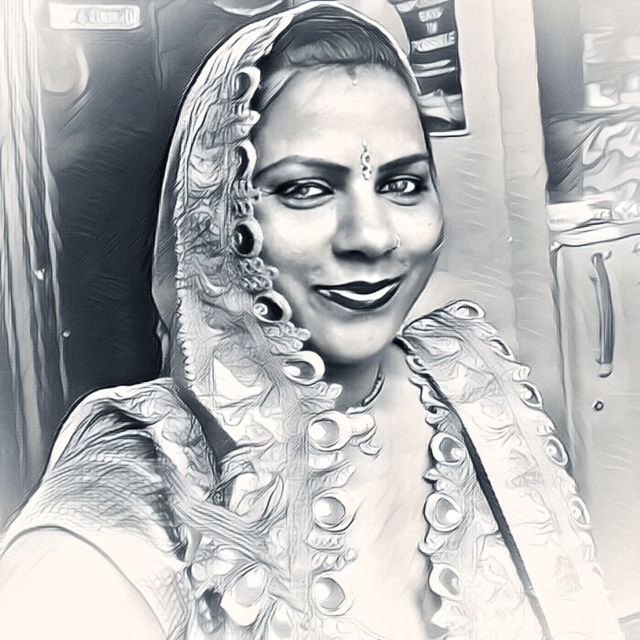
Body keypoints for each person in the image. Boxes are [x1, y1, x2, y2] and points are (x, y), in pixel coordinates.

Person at [0, 3, 625, 639]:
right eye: (306, 189)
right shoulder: (125, 500)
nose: (372, 236)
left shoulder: (470, 379)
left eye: (403, 184)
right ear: (217, 214)